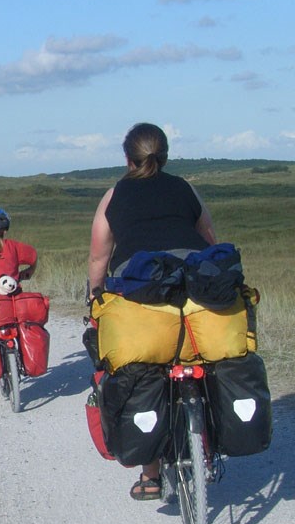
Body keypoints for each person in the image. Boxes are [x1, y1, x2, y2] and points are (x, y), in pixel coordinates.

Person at [87, 122, 218, 501]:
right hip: (192, 277)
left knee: (144, 366)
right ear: (165, 155)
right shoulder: (185, 188)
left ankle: (151, 474)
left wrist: (95, 297)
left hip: (140, 284)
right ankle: (208, 433)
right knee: (202, 347)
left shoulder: (115, 196)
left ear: (128, 158)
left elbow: (99, 255)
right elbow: (210, 239)